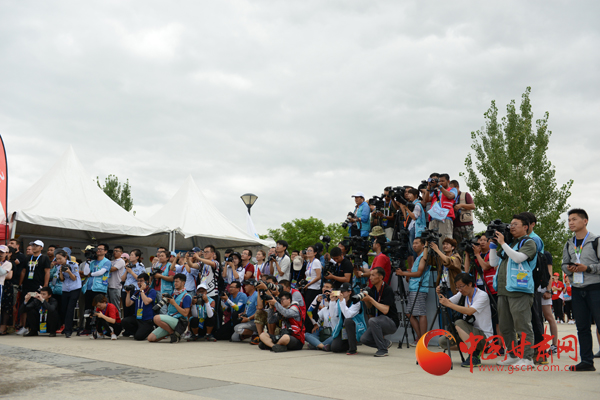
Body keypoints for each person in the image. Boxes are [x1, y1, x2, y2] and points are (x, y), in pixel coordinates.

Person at [489, 214, 537, 367]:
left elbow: (518, 258)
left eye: (516, 224)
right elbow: (493, 262)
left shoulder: (529, 242)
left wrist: (503, 243)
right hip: (503, 290)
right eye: (511, 224)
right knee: (505, 326)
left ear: (526, 227)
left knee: (522, 324)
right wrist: (493, 245)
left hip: (520, 290)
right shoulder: (510, 243)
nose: (512, 227)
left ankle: (528, 358)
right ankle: (512, 354)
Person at [561, 208, 600, 371]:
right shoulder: (569, 243)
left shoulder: (595, 240)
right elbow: (564, 264)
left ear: (585, 221)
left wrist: (587, 268)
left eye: (574, 219)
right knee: (582, 327)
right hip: (576, 290)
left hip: (595, 288)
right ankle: (586, 361)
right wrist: (570, 269)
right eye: (569, 220)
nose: (570, 222)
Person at [437, 273, 494, 368]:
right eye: (457, 287)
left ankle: (473, 355)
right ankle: (474, 349)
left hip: (484, 337)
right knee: (443, 341)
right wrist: (440, 295)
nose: (460, 289)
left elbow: (469, 311)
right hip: (469, 333)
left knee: (459, 323)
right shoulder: (462, 294)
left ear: (470, 284)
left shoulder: (482, 295)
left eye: (461, 286)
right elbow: (447, 302)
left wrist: (449, 304)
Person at [356, 267, 399, 357]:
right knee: (364, 339)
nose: (370, 278)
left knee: (372, 320)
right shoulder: (373, 290)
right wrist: (366, 299)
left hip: (391, 322)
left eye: (373, 275)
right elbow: (369, 306)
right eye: (370, 275)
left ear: (380, 277)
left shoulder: (387, 289)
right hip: (379, 321)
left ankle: (382, 350)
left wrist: (371, 299)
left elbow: (385, 310)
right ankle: (385, 343)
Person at [397, 237, 431, 346]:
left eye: (417, 243)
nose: (414, 245)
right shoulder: (417, 257)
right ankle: (419, 337)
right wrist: (409, 274)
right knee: (409, 313)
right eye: (413, 243)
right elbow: (415, 272)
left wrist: (404, 274)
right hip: (414, 288)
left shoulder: (423, 257)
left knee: (421, 313)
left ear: (423, 245)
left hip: (420, 288)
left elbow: (419, 273)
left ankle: (423, 340)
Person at [17, 240, 51, 335]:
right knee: (25, 305)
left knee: (35, 306)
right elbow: (23, 271)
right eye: (33, 245)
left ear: (41, 248)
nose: (34, 247)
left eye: (37, 246)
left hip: (38, 285)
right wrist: (20, 283)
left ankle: (34, 327)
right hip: (27, 285)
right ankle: (25, 326)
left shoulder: (44, 258)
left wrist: (45, 286)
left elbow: (47, 272)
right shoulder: (28, 258)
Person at [148, 273, 192, 343]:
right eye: (174, 281)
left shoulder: (186, 296)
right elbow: (171, 308)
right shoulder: (173, 293)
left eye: (177, 281)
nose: (175, 283)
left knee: (156, 318)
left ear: (183, 282)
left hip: (180, 322)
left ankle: (173, 334)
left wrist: (174, 303)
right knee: (151, 338)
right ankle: (173, 333)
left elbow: (185, 313)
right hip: (171, 319)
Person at [82, 244, 111, 332]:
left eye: (101, 249)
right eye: (97, 249)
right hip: (89, 287)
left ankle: (100, 328)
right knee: (88, 309)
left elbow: (101, 272)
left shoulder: (107, 261)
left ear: (105, 251)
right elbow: (86, 272)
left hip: (100, 287)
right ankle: (87, 328)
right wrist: (88, 261)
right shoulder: (93, 262)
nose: (98, 251)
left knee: (99, 308)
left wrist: (91, 274)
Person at [330, 282, 366, 354]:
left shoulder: (356, 301)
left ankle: (353, 349)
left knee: (348, 321)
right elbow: (333, 315)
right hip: (343, 329)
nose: (341, 293)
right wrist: (332, 301)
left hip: (356, 329)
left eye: (343, 291)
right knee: (335, 348)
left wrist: (342, 301)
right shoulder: (340, 301)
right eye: (340, 291)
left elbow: (348, 315)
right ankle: (347, 344)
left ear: (350, 292)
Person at [121, 273, 157, 341]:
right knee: (124, 321)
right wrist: (128, 293)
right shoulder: (137, 292)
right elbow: (128, 304)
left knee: (138, 337)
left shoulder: (151, 291)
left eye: (141, 281)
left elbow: (146, 302)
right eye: (138, 281)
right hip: (137, 317)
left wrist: (142, 291)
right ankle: (139, 331)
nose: (139, 283)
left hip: (147, 319)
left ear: (147, 282)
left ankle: (149, 329)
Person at [422, 173, 457, 243]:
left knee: (444, 240)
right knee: (431, 241)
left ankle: (444, 254)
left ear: (448, 181)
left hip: (445, 217)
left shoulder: (452, 189)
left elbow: (450, 196)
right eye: (439, 181)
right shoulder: (436, 191)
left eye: (442, 181)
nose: (440, 183)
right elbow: (426, 200)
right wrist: (428, 187)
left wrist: (440, 187)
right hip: (433, 217)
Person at [305, 283, 339, 351]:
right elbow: (310, 312)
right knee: (306, 335)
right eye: (323, 286)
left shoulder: (339, 307)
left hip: (334, 334)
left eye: (327, 287)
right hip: (324, 332)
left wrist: (333, 296)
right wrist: (315, 324)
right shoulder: (322, 304)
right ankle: (323, 346)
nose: (324, 288)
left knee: (335, 337)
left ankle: (316, 345)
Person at [56, 249, 81, 338]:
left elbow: (74, 278)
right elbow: (61, 279)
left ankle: (68, 331)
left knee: (70, 309)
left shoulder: (73, 265)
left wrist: (69, 271)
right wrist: (60, 272)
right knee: (64, 309)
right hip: (65, 289)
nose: (59, 261)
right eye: (57, 259)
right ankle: (64, 327)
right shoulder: (58, 267)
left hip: (75, 288)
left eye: (60, 258)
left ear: (65, 257)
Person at [400, 188, 426, 269]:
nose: (408, 195)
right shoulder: (413, 204)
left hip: (417, 229)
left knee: (415, 249)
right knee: (412, 249)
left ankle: (417, 267)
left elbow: (414, 217)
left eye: (410, 194)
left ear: (415, 195)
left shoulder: (417, 204)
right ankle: (415, 267)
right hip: (413, 229)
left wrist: (406, 208)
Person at [120, 249, 146, 328]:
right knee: (125, 309)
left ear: (137, 257)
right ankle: (126, 328)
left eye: (132, 255)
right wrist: (126, 270)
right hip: (126, 289)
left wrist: (131, 272)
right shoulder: (128, 266)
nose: (130, 257)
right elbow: (122, 279)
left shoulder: (141, 266)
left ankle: (133, 328)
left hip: (135, 290)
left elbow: (140, 279)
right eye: (130, 255)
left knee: (133, 310)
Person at [301, 245, 322, 331]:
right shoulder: (309, 262)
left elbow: (318, 276)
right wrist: (304, 282)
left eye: (310, 250)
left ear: (315, 253)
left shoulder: (316, 261)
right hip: (309, 287)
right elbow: (309, 276)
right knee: (306, 308)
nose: (308, 252)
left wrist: (308, 284)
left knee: (311, 309)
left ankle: (311, 328)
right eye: (307, 250)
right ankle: (307, 327)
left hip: (314, 289)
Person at [107, 246, 125, 316]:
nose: (115, 252)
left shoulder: (121, 261)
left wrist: (104, 266)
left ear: (121, 253)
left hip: (115, 286)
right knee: (108, 307)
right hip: (108, 285)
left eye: (117, 251)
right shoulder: (111, 261)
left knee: (115, 307)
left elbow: (113, 269)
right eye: (114, 251)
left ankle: (117, 323)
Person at [0, 245, 14, 334]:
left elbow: (2, 272)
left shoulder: (8, 263)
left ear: (7, 254)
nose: (0, 254)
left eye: (2, 252)